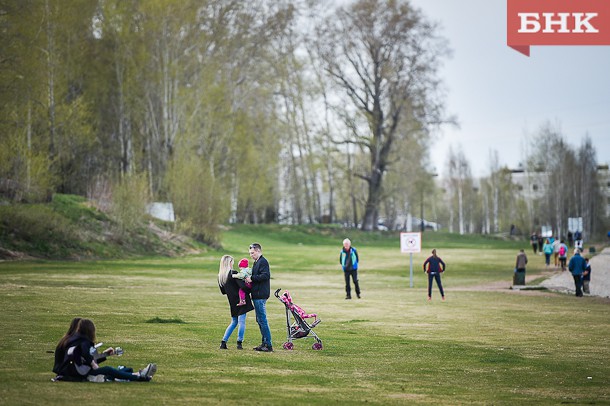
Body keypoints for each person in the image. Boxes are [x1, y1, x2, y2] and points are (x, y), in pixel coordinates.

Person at [53, 318, 156, 382]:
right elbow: (88, 358)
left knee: (117, 370)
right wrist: (94, 365)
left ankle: (139, 374)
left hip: (72, 372)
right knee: (109, 370)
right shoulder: (81, 342)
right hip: (75, 374)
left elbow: (85, 359)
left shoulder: (70, 341)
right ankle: (140, 376)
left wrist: (106, 354)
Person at [218, 255, 254, 350]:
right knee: (242, 322)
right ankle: (239, 342)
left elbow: (223, 292)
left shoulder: (221, 276)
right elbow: (243, 287)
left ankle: (223, 342)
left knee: (234, 322)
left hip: (232, 302)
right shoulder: (233, 273)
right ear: (229, 263)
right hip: (241, 300)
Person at [245, 243, 273, 352]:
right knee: (259, 320)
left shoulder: (263, 261)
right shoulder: (256, 262)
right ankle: (264, 343)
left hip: (261, 295)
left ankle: (268, 344)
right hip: (256, 295)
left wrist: (252, 278)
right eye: (250, 253)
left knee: (262, 320)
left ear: (258, 251)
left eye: (252, 253)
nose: (251, 255)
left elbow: (266, 275)